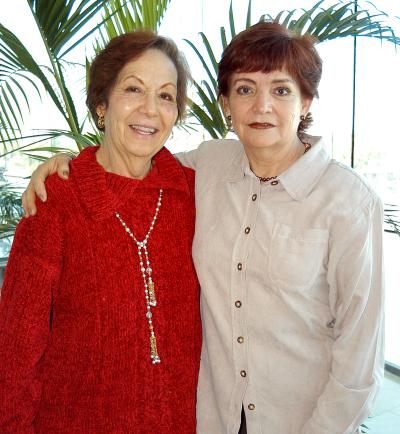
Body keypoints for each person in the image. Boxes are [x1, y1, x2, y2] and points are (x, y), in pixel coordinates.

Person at [20, 21, 385, 434]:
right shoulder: (204, 169)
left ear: (306, 102)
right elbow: (133, 156)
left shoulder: (349, 202)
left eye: (281, 90)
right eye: (245, 89)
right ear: (225, 104)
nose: (262, 106)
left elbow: (359, 364)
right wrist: (66, 164)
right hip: (213, 419)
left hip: (303, 422)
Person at [0, 31, 202, 434]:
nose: (150, 109)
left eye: (165, 96)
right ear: (101, 105)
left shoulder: (194, 194)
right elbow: (16, 353)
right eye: (133, 89)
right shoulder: (57, 200)